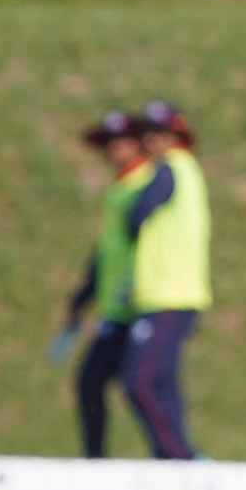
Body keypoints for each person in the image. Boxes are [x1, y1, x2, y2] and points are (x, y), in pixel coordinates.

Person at [116, 97, 213, 461]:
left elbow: (138, 215)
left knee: (139, 380)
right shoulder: (186, 171)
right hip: (169, 293)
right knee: (163, 381)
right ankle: (172, 455)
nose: (152, 140)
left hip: (169, 292)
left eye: (160, 132)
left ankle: (180, 456)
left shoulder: (170, 168)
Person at [55, 108, 155, 458]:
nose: (115, 149)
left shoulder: (149, 184)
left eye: (123, 141)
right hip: (116, 306)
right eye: (110, 143)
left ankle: (175, 456)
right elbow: (108, 251)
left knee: (141, 386)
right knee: (91, 384)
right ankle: (96, 460)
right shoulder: (119, 188)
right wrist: (84, 296)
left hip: (140, 302)